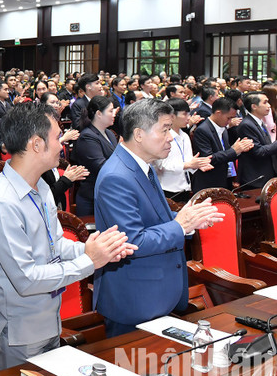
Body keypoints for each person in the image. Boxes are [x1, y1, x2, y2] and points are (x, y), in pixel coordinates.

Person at [0, 102, 135, 370]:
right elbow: (26, 279)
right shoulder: (1, 202)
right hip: (19, 330)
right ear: (36, 145)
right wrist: (90, 262)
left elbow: (54, 243)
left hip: (48, 318)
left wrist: (91, 249)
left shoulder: (39, 184)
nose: (61, 144)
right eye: (56, 138)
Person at [93, 99, 225, 336]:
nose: (171, 137)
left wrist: (190, 220)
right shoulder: (117, 176)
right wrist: (180, 226)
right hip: (134, 298)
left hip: (155, 292)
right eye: (165, 129)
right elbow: (133, 240)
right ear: (139, 134)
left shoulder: (144, 165)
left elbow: (154, 217)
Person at [154, 98, 213, 202]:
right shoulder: (162, 137)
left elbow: (188, 160)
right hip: (168, 189)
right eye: (185, 114)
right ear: (171, 116)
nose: (188, 117)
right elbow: (162, 165)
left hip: (185, 187)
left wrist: (197, 165)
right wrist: (189, 165)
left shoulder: (185, 135)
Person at [191, 97, 254, 192]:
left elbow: (226, 152)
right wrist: (234, 151)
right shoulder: (202, 130)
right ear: (218, 113)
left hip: (224, 178)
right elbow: (208, 158)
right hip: (209, 182)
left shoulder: (223, 128)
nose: (230, 121)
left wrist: (238, 149)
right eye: (229, 118)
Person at [72, 96, 117, 216]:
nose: (114, 114)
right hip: (92, 198)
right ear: (99, 114)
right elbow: (101, 166)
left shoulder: (109, 133)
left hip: (108, 194)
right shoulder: (87, 136)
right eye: (110, 111)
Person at [237, 92, 277, 189]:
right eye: (265, 102)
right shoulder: (247, 125)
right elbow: (258, 151)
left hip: (266, 173)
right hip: (256, 177)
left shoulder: (259, 121)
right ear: (254, 106)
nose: (269, 105)